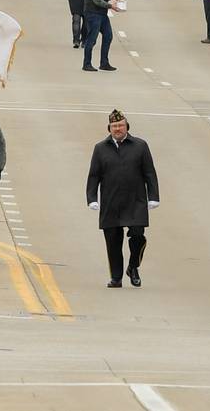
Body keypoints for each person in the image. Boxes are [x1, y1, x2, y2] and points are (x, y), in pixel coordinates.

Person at [86, 109, 160, 288]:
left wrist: (153, 196)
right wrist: (92, 198)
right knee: (113, 240)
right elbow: (94, 175)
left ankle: (133, 266)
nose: (117, 129)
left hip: (135, 201)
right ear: (109, 128)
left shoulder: (140, 146)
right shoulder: (100, 148)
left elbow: (149, 173)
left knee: (138, 235)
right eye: (114, 126)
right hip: (111, 202)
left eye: (120, 125)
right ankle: (116, 277)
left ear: (127, 126)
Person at [82, 0, 120, 72]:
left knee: (108, 36)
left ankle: (104, 63)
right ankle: (87, 63)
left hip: (102, 14)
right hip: (93, 13)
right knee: (92, 39)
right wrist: (110, 6)